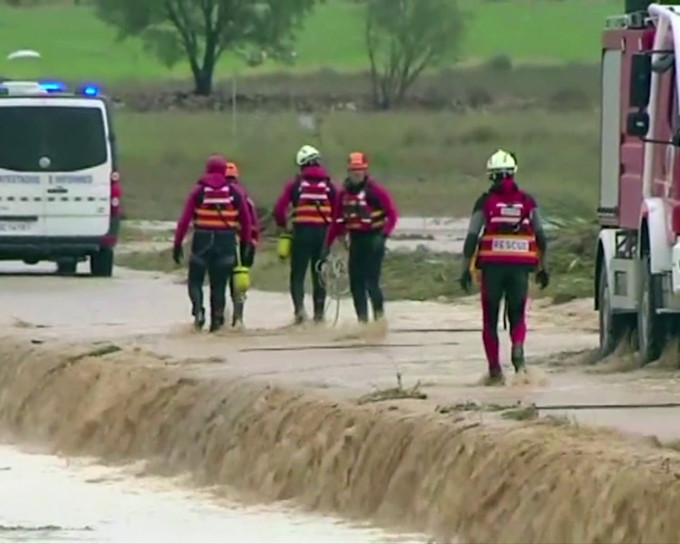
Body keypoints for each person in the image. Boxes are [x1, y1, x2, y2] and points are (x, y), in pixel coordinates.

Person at [459, 149, 550, 385]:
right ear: (513, 173)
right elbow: (541, 237)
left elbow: (471, 237)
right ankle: (518, 350)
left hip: (492, 269)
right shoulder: (527, 202)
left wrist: (464, 269)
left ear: (491, 175)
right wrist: (543, 267)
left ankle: (495, 371)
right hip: (520, 268)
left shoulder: (485, 202)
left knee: (490, 320)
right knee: (517, 314)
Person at [173, 155, 253, 333]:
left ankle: (198, 312)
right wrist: (246, 243)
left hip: (202, 241)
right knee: (219, 286)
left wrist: (177, 244)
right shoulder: (234, 193)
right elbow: (246, 220)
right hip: (226, 242)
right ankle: (217, 323)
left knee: (195, 281)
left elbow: (184, 220)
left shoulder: (199, 191)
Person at [321, 151, 398, 323]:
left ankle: (379, 320)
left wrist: (383, 236)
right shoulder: (343, 194)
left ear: (365, 171)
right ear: (348, 171)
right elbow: (336, 222)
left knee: (372, 283)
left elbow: (392, 215)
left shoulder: (376, 191)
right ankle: (362, 322)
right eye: (353, 170)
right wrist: (327, 245)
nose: (356, 173)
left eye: (360, 170)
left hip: (374, 241)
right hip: (355, 242)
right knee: (356, 285)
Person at [273, 144, 338, 324]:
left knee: (298, 274)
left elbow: (279, 210)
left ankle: (300, 312)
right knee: (319, 274)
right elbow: (339, 209)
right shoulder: (329, 185)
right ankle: (319, 316)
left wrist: (283, 226)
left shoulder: (295, 185)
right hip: (323, 235)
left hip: (302, 233)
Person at [225, 161, 260, 328]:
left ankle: (222, 319)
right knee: (239, 283)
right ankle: (237, 319)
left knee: (221, 283)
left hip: (230, 244)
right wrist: (252, 244)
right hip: (243, 245)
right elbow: (254, 225)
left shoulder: (222, 194)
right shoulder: (245, 197)